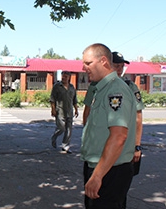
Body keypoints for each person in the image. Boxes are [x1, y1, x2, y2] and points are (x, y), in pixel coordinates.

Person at [81, 43, 137, 209]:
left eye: (88, 63)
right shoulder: (102, 89)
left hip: (110, 170)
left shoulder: (115, 90)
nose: (84, 68)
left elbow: (119, 136)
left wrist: (97, 176)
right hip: (101, 167)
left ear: (103, 61)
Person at [50, 70, 79, 154]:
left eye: (66, 76)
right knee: (61, 128)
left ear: (69, 77)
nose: (64, 78)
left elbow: (74, 100)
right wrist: (53, 109)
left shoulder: (72, 87)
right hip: (60, 111)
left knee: (69, 130)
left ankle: (65, 146)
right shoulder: (57, 86)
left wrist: (76, 109)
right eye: (63, 76)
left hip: (69, 111)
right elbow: (52, 99)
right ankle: (54, 137)